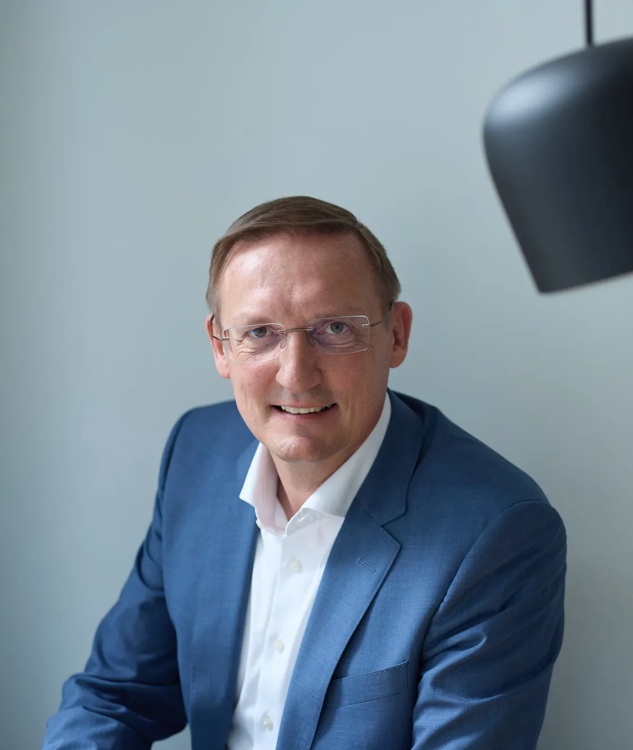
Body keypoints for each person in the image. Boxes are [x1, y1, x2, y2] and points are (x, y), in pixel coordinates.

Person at [43, 196, 567, 749]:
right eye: (260, 333)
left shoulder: (497, 533)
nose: (296, 375)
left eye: (334, 328)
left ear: (396, 335)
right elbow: (114, 695)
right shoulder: (194, 456)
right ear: (221, 347)